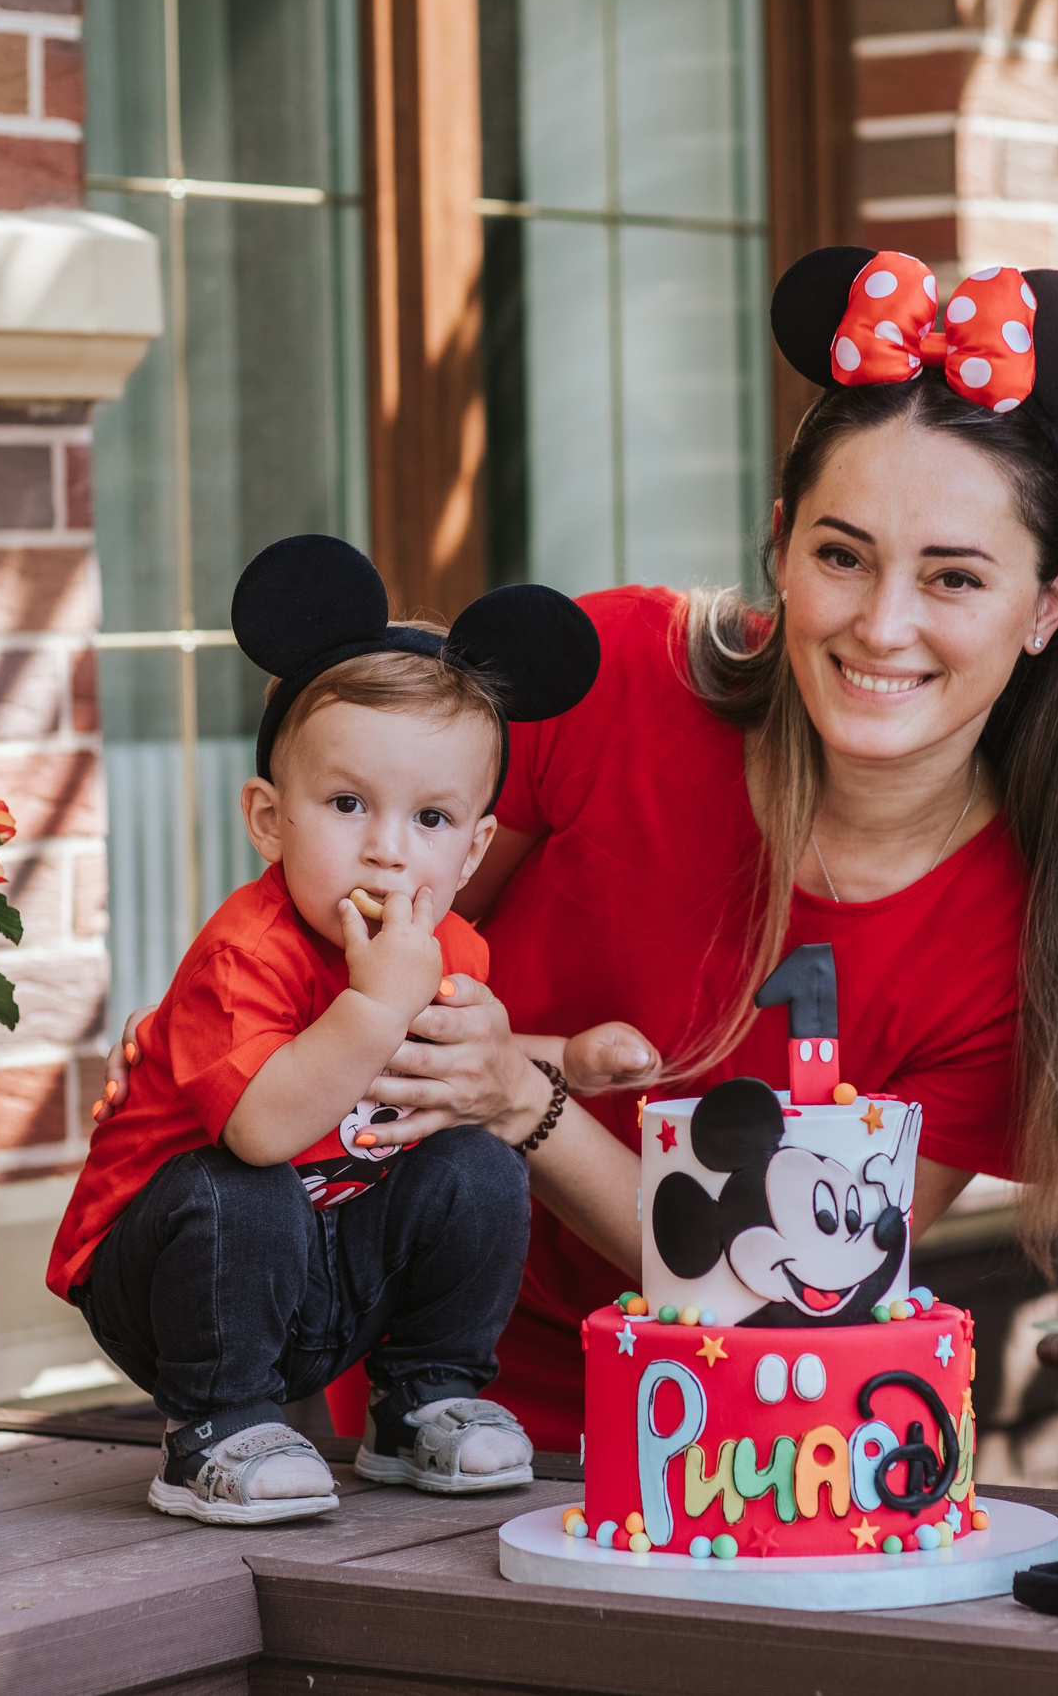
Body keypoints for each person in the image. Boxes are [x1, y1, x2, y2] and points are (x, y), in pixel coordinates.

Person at [97, 251, 1058, 1455]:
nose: (881, 625)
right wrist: (213, 1056)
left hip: (754, 1461)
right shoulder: (610, 680)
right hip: (434, 1417)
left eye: (954, 578)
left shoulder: (1031, 942)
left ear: (1048, 606)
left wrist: (531, 1100)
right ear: (781, 546)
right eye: (841, 556)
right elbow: (341, 917)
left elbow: (798, 1293)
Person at [45, 534, 638, 1523]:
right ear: (269, 819)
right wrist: (373, 1003)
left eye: (432, 820)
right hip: (178, 1279)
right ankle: (213, 1429)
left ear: (478, 843)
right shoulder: (247, 955)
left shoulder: (449, 949)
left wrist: (562, 1059)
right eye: (347, 803)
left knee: (479, 1162)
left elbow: (449, 1070)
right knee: (249, 1188)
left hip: (325, 1269)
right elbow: (264, 1133)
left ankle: (423, 1400)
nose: (386, 852)